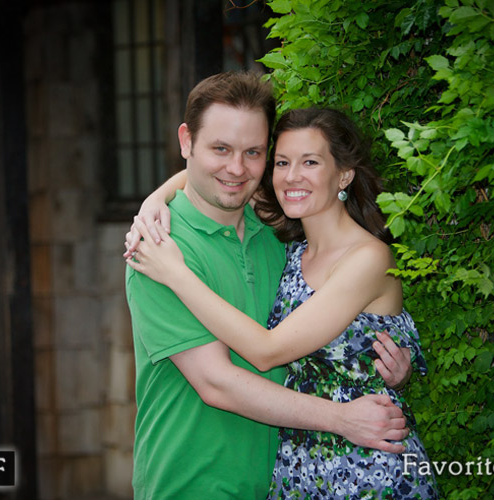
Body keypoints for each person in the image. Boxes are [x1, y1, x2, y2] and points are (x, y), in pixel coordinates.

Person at [124, 72, 413, 500]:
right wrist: (342, 418)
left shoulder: (275, 233)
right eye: (220, 148)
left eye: (254, 153)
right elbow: (217, 382)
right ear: (186, 142)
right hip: (191, 485)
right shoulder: (159, 249)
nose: (237, 168)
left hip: (284, 482)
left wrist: (388, 369)